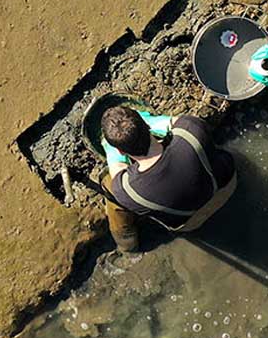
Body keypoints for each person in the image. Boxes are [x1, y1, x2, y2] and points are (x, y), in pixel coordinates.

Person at [98, 105, 237, 252]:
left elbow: (117, 166)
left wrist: (110, 148)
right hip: (227, 187)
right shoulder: (191, 129)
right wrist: (152, 121)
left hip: (193, 221)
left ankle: (127, 243)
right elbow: (175, 122)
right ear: (147, 125)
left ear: (120, 150)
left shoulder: (125, 190)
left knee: (107, 184)